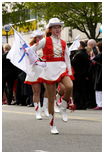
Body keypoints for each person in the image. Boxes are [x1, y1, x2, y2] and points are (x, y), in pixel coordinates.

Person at [27, 18, 73, 134]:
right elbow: (31, 50)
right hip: (49, 71)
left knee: (69, 86)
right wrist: (38, 61)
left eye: (59, 27)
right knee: (51, 99)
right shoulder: (45, 41)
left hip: (61, 69)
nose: (57, 29)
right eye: (55, 27)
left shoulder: (63, 42)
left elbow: (67, 58)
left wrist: (69, 72)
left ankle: (63, 107)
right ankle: (53, 125)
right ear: (51, 29)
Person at [24, 30, 49, 120]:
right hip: (35, 71)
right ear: (35, 38)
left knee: (48, 90)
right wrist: (36, 62)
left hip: (45, 70)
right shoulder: (30, 47)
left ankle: (45, 108)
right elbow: (29, 60)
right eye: (38, 37)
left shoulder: (45, 46)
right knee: (36, 91)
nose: (40, 39)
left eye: (41, 37)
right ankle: (37, 111)